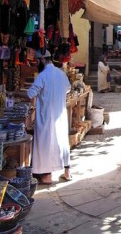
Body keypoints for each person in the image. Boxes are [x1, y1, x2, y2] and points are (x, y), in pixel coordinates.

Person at [27, 50, 71, 184]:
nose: (36, 65)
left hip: (46, 116)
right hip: (60, 114)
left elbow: (30, 94)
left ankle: (47, 176)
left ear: (42, 60)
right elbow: (68, 88)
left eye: (37, 62)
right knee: (62, 141)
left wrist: (14, 93)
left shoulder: (42, 76)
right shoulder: (61, 74)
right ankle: (67, 172)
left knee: (46, 143)